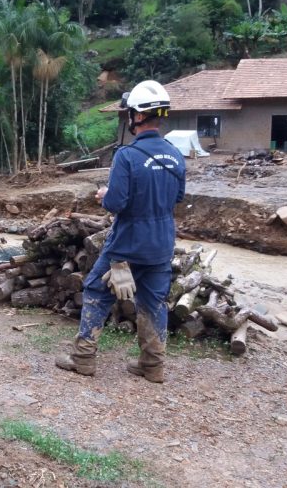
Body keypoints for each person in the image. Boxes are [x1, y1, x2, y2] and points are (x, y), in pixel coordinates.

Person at [55, 80, 185, 383]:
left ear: (137, 116)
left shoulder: (127, 156)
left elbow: (117, 203)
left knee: (96, 291)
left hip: (126, 243)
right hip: (161, 242)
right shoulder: (175, 155)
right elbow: (177, 198)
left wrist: (104, 195)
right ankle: (153, 367)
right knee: (154, 301)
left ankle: (83, 359)